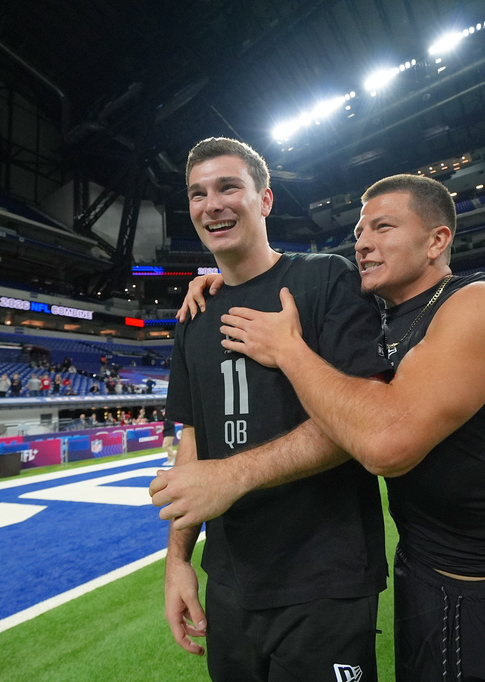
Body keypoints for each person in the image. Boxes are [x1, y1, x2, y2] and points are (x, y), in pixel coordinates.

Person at [156, 173, 485, 681]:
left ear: (437, 241)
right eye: (359, 232)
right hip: (423, 582)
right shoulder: (384, 320)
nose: (362, 243)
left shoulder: (482, 305)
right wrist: (226, 281)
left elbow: (384, 444)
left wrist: (288, 350)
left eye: (382, 228)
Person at [154, 137, 390, 680]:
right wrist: (178, 560)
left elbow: (364, 420)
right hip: (230, 580)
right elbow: (194, 442)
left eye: (228, 187)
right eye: (197, 194)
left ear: (265, 200)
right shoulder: (194, 315)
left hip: (324, 577)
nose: (212, 204)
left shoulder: (325, 279)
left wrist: (232, 476)